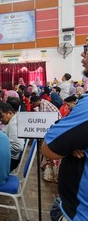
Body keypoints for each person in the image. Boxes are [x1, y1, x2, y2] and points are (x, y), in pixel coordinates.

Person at [41, 43, 88, 220]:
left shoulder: (85, 107)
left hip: (79, 213)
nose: (82, 55)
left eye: (87, 49)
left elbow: (48, 149)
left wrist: (70, 142)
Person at [0, 102, 25, 172]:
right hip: (9, 158)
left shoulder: (13, 124)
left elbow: (18, 146)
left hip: (9, 161)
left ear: (9, 113)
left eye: (2, 117)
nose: (1, 120)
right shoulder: (14, 119)